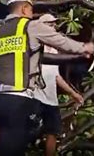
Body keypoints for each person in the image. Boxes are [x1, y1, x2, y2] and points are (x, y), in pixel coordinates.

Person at [0, 0, 94, 156]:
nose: (31, 15)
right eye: (30, 10)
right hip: (18, 97)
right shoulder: (30, 26)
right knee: (13, 147)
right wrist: (84, 48)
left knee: (7, 142)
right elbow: (60, 40)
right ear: (24, 8)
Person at [35, 14, 84, 156]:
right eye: (49, 24)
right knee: (26, 131)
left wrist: (73, 94)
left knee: (53, 132)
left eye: (54, 24)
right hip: (33, 97)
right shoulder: (33, 45)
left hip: (50, 99)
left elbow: (55, 76)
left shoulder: (54, 49)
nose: (53, 27)